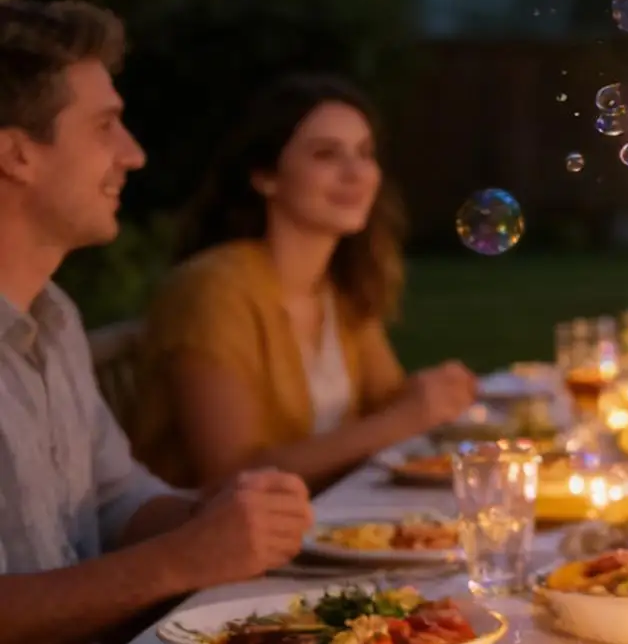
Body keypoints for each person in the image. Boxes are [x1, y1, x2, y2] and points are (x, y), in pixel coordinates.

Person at [0, 0, 312, 644]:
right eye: (105, 125)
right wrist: (185, 559)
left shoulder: (51, 315)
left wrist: (219, 515)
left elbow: (114, 498)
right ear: (16, 152)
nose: (133, 153)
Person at [130, 73, 477, 492]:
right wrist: (407, 415)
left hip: (321, 529)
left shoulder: (336, 288)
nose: (356, 173)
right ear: (265, 176)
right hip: (219, 547)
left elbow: (392, 404)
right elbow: (230, 477)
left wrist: (428, 394)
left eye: (365, 153)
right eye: (326, 155)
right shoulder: (212, 291)